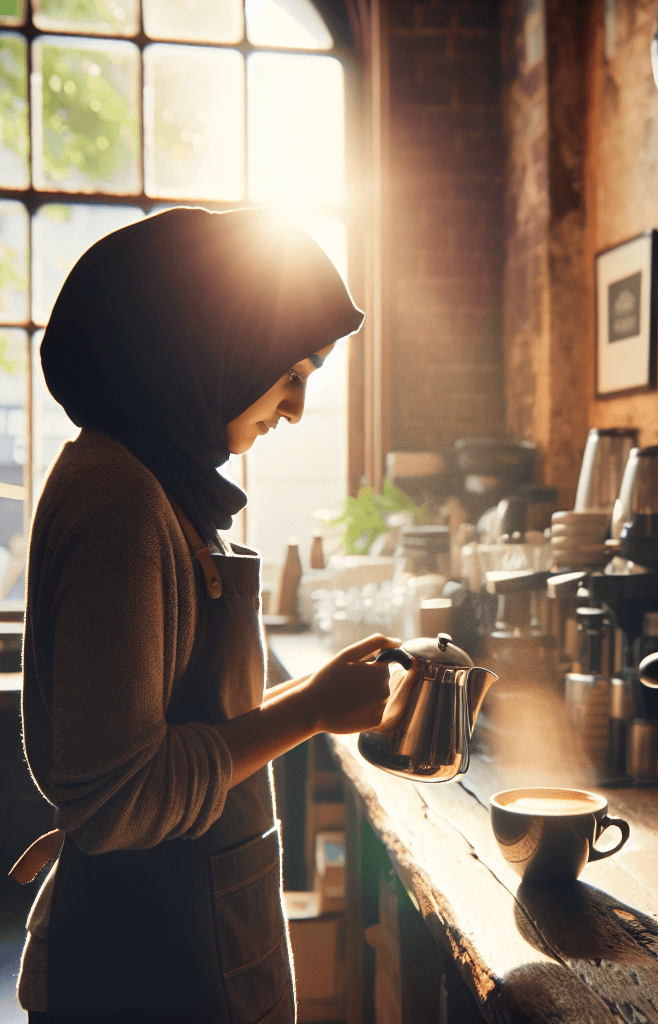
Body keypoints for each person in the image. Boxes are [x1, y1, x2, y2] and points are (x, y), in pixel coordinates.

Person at [13, 207, 398, 1023]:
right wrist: (314, 708)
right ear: (214, 339)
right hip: (151, 969)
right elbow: (119, 799)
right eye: (290, 371)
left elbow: (111, 770)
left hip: (186, 929)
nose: (294, 408)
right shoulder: (121, 498)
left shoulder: (160, 483)